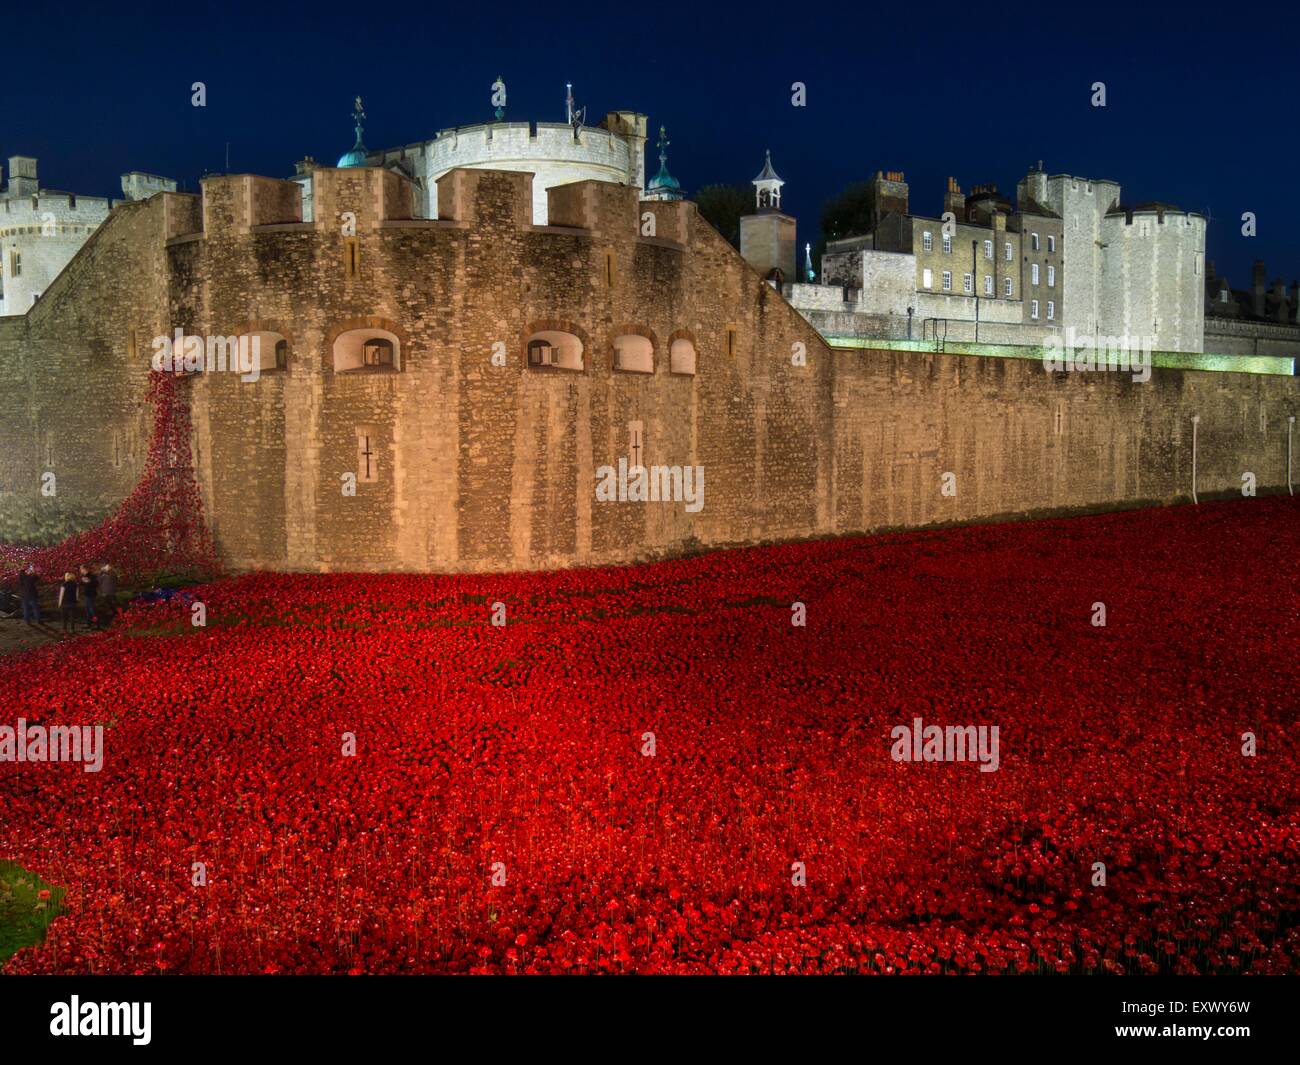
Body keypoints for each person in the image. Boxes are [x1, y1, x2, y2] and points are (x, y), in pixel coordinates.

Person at [98, 563, 118, 628]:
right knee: (112, 606)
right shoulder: (114, 576)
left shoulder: (104, 576)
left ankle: (108, 621)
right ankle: (114, 619)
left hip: (105, 593)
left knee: (107, 607)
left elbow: (99, 581)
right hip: (112, 593)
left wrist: (101, 571)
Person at [79, 564, 99, 629]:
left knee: (92, 610)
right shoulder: (83, 576)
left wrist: (89, 581)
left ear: (85, 569)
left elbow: (96, 584)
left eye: (81, 569)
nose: (80, 570)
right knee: (87, 610)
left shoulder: (92, 576)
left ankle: (96, 624)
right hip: (86, 594)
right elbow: (83, 584)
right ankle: (89, 623)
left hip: (91, 595)